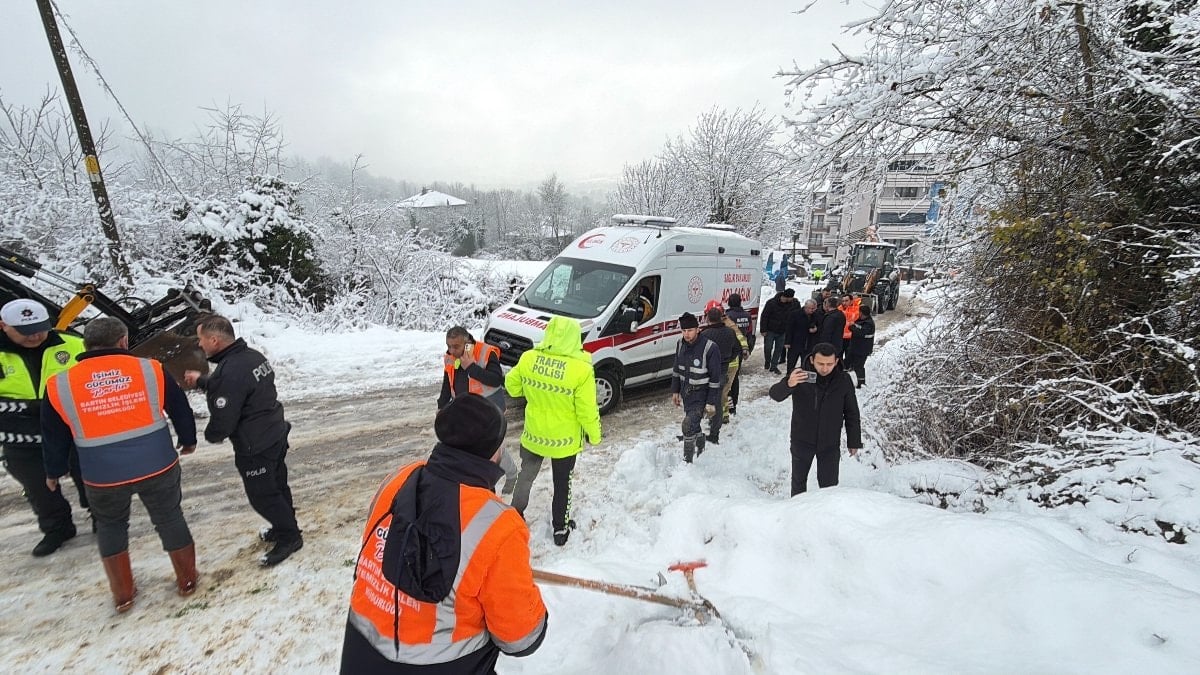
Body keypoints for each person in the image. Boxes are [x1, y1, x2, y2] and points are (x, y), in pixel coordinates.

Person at [340, 394, 548, 673]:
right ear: (496, 451)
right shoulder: (499, 525)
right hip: (442, 664)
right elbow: (521, 639)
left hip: (359, 653)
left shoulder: (398, 479)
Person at [42, 317, 198, 612]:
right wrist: (188, 439)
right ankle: (187, 579)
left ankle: (123, 594)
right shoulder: (149, 369)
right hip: (157, 465)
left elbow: (53, 434)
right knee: (169, 518)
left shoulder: (60, 384)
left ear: (86, 345)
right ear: (124, 341)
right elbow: (179, 406)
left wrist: (53, 470)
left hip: (102, 475)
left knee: (111, 526)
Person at [183, 315, 301, 566]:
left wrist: (210, 435)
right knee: (277, 485)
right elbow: (239, 386)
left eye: (201, 339)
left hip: (254, 444)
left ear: (214, 340)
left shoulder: (231, 370)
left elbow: (224, 418)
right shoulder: (252, 357)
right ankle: (285, 526)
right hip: (275, 431)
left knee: (263, 495)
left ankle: (290, 536)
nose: (199, 344)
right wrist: (203, 382)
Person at [504, 316, 601, 546]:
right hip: (563, 441)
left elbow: (512, 386)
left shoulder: (529, 358)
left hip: (534, 435)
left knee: (525, 476)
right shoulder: (581, 369)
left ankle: (514, 516)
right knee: (562, 484)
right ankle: (560, 529)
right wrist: (594, 435)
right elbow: (587, 410)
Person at [0, 298, 86, 556]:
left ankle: (102, 519)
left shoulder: (74, 345)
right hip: (21, 438)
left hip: (71, 432)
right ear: (4, 326)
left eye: (40, 327)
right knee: (37, 487)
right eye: (26, 331)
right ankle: (57, 527)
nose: (36, 335)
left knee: (92, 478)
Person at [768, 342, 862, 496]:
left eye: (829, 364)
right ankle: (797, 514)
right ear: (812, 360)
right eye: (820, 364)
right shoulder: (800, 376)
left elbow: (852, 413)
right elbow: (775, 395)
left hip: (830, 442)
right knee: (798, 483)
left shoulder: (843, 380)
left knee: (829, 487)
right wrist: (789, 383)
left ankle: (826, 515)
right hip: (802, 439)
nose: (825, 368)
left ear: (836, 361)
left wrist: (854, 441)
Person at [438, 326, 518, 494]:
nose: (451, 351)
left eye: (456, 346)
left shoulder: (486, 353)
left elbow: (496, 380)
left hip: (489, 413)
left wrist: (471, 367)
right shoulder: (450, 357)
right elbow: (448, 383)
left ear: (467, 343)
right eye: (449, 346)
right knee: (474, 453)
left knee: (492, 452)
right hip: (466, 412)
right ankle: (483, 489)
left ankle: (510, 475)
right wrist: (441, 406)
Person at [670, 312, 722, 463]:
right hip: (687, 394)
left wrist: (711, 402)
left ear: (698, 329)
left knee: (687, 425)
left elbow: (715, 378)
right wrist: (675, 390)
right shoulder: (680, 344)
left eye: (690, 330)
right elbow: (676, 368)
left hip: (702, 395)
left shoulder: (710, 348)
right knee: (693, 424)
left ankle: (688, 462)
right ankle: (701, 445)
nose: (687, 334)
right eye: (684, 331)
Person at [700, 304, 745, 442]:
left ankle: (705, 424)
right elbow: (737, 350)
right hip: (722, 371)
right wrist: (727, 360)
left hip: (708, 373)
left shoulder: (704, 335)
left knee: (704, 399)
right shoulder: (730, 332)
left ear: (708, 318)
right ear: (721, 318)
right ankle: (715, 432)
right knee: (718, 402)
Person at [723, 293, 755, 416]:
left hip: (730, 351)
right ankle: (733, 406)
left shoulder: (728, 316)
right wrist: (748, 349)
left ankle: (727, 406)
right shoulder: (747, 316)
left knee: (728, 381)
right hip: (741, 350)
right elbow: (750, 333)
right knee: (735, 379)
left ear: (729, 303)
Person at [759, 288, 796, 374]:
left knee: (778, 349)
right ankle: (767, 361)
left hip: (782, 331)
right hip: (770, 330)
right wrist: (763, 329)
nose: (791, 300)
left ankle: (774, 366)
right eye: (790, 298)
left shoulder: (792, 304)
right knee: (768, 348)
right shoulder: (771, 303)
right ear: (785, 297)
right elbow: (764, 316)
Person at [784, 299, 820, 372]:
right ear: (806, 307)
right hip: (795, 343)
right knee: (791, 363)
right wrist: (787, 342)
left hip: (808, 344)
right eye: (811, 308)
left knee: (806, 364)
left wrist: (816, 329)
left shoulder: (816, 315)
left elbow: (820, 326)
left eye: (814, 308)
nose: (813, 310)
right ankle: (789, 377)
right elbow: (789, 328)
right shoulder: (795, 314)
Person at [846, 305, 876, 388]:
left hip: (862, 349)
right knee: (847, 362)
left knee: (859, 366)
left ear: (862, 313)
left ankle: (861, 383)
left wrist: (852, 327)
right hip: (855, 347)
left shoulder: (868, 324)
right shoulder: (862, 320)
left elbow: (860, 333)